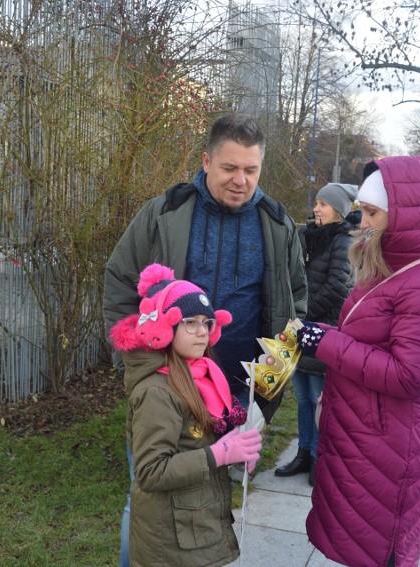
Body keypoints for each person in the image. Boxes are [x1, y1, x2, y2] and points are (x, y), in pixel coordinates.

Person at [103, 112, 307, 566]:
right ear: (205, 162)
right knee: (147, 499)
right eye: (229, 168)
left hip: (235, 394)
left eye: (251, 170)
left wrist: (266, 393)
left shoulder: (277, 224)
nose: (241, 180)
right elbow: (120, 284)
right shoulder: (164, 214)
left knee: (209, 503)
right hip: (167, 390)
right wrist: (137, 372)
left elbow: (296, 308)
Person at [296, 156, 420, 567]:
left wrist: (325, 343)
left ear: (407, 216)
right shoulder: (395, 268)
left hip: (390, 447)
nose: (363, 222)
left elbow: (411, 376)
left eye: (372, 212)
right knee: (359, 546)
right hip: (367, 435)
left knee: (379, 549)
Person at [109, 263, 262, 566]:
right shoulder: (157, 392)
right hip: (170, 541)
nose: (202, 332)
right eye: (190, 322)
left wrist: (237, 448)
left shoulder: (204, 376)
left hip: (194, 528)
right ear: (166, 327)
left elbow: (200, 437)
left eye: (207, 323)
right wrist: (218, 455)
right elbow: (150, 471)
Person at [275, 183, 356, 486]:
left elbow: (338, 287)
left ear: (339, 210)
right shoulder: (308, 237)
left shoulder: (344, 242)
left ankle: (320, 457)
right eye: (317, 203)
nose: (316, 209)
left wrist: (302, 317)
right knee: (302, 397)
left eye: (323, 204)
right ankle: (303, 453)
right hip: (300, 329)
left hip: (323, 330)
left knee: (317, 397)